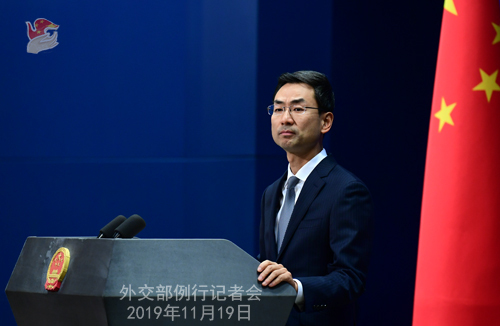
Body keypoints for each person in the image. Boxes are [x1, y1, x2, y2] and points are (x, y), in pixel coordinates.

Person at [257, 70, 373, 326]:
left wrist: (295, 287)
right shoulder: (271, 192)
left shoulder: (346, 190)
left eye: (298, 110)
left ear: (326, 121)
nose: (285, 119)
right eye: (277, 109)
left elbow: (350, 278)